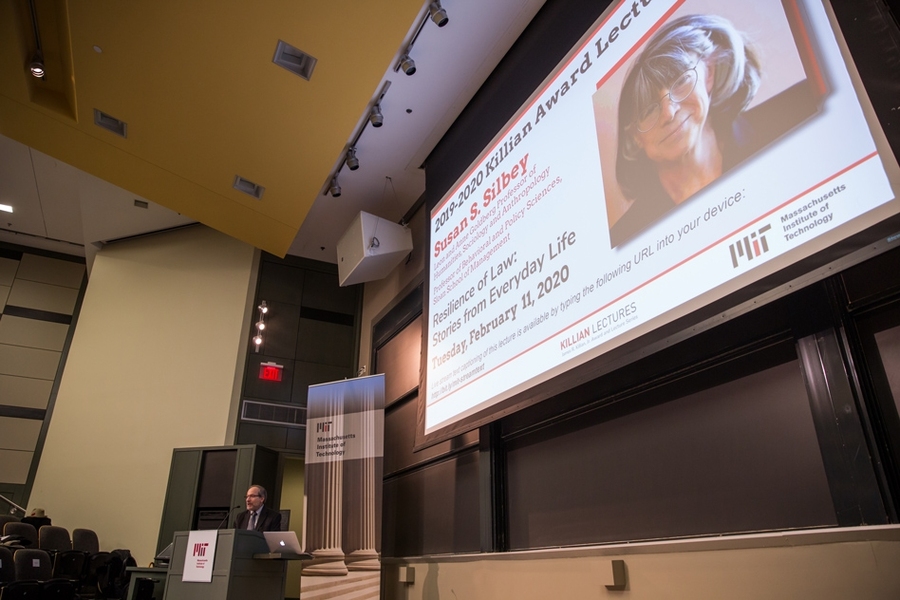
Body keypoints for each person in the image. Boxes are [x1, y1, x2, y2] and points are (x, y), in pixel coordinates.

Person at [610, 14, 762, 246]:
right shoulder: (624, 239)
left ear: (709, 72)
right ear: (635, 137)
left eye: (680, 81)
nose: (668, 112)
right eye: (648, 110)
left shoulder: (793, 121)